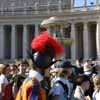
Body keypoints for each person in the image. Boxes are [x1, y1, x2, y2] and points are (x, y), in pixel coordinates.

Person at [15, 29, 64, 100]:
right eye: (49, 66)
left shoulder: (28, 81)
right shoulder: (35, 86)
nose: (50, 69)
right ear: (43, 65)